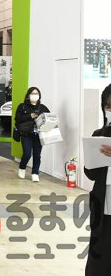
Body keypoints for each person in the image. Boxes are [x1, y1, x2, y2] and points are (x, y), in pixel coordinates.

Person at [85, 83, 111, 275]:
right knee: (99, 258)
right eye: (108, 106)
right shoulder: (98, 135)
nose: (110, 110)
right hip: (103, 206)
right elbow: (91, 174)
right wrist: (90, 160)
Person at [15, 86, 50, 182]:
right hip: (26, 134)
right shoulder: (22, 106)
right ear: (28, 95)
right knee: (27, 153)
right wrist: (29, 116)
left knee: (37, 155)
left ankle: (35, 173)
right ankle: (22, 167)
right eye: (33, 93)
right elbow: (18, 119)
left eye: (36, 93)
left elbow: (49, 118)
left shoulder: (43, 107)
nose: (35, 95)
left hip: (38, 135)